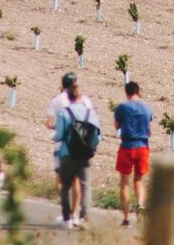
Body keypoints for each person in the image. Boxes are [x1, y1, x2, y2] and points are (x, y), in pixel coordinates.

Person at [52, 75, 102, 230]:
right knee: (85, 186)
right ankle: (82, 218)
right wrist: (90, 147)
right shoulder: (90, 113)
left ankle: (67, 218)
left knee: (65, 185)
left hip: (67, 154)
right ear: (80, 96)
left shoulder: (63, 112)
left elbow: (59, 135)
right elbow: (97, 136)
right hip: (84, 156)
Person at [112, 80, 152, 228]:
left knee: (124, 183)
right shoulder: (147, 107)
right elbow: (149, 129)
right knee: (139, 181)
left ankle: (126, 217)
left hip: (126, 146)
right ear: (138, 91)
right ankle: (140, 204)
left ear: (126, 92)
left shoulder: (122, 107)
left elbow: (117, 125)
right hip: (142, 147)